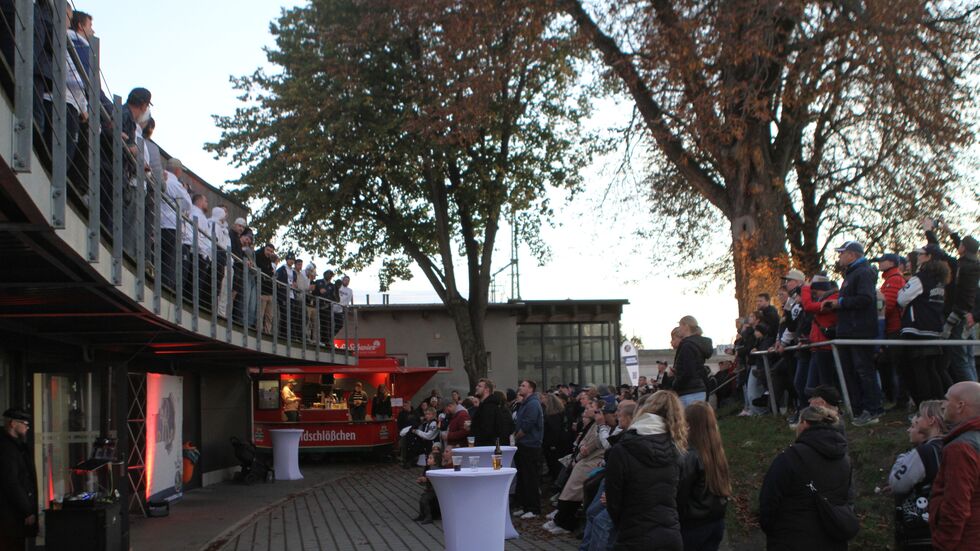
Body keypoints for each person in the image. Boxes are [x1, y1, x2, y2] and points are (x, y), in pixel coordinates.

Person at [758, 405, 854, 551]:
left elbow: (768, 503)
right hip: (833, 538)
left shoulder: (790, 458)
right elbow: (846, 497)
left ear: (804, 423)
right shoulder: (844, 460)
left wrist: (775, 532)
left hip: (792, 539)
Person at [602, 391, 686, 550]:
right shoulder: (677, 449)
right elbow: (678, 495)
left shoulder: (622, 449)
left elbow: (614, 502)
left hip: (634, 536)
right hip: (670, 535)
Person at [824, 240, 882, 426]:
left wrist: (839, 303)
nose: (839, 256)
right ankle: (857, 410)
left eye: (842, 253)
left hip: (859, 330)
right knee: (850, 372)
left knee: (863, 371)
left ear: (852, 254)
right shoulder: (852, 274)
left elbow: (865, 299)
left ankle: (872, 409)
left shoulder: (862, 273)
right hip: (849, 331)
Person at [886, 400, 947, 550]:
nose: (916, 420)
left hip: (924, 530)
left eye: (920, 417)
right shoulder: (956, 444)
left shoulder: (924, 452)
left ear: (931, 420)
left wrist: (902, 458)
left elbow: (897, 484)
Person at [544, 397, 608, 535]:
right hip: (584, 461)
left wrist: (578, 456)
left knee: (572, 492)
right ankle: (561, 519)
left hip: (589, 462)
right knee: (569, 491)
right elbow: (584, 443)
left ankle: (564, 522)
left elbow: (591, 445)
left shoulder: (600, 425)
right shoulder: (593, 424)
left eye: (591, 407)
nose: (587, 409)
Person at [929, 381, 980, 550]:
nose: (942, 405)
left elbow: (956, 505)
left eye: (946, 400)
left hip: (966, 540)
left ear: (960, 406)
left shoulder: (961, 448)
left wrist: (943, 544)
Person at [897, 251, 952, 405]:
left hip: (916, 329)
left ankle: (925, 406)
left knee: (918, 370)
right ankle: (940, 404)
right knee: (931, 369)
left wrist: (903, 289)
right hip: (934, 329)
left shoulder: (919, 278)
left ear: (929, 257)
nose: (918, 255)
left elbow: (901, 299)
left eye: (921, 253)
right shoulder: (940, 281)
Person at [678, 402, 731, 551]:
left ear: (689, 424)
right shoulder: (716, 452)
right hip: (715, 521)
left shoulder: (690, 456)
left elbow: (680, 495)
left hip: (692, 525)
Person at [0, 408, 38, 551]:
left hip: (13, 511)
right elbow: (11, 482)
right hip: (10, 513)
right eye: (24, 423)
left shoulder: (17, 446)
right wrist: (26, 510)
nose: (27, 427)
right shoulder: (7, 448)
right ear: (12, 423)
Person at [512, 379, 544, 519]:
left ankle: (534, 508)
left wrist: (515, 438)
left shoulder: (533, 404)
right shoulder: (524, 403)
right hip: (523, 444)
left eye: (523, 386)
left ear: (531, 389)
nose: (520, 387)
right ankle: (526, 506)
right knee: (524, 477)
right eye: (520, 385)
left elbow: (527, 426)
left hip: (530, 445)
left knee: (531, 478)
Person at [669, 316, 714, 406]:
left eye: (680, 325)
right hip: (698, 389)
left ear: (686, 326)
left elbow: (688, 371)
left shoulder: (687, 345)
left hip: (688, 391)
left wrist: (675, 384)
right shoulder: (696, 344)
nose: (679, 328)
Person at [470, 378, 511, 446]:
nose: (476, 387)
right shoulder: (484, 406)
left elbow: (487, 430)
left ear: (487, 389)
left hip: (486, 448)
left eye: (479, 386)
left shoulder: (489, 407)